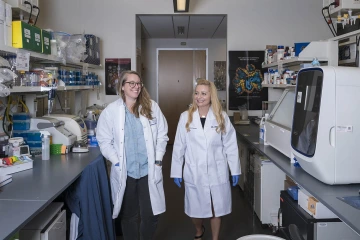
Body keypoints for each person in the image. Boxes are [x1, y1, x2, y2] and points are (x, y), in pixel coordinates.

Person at [97, 70, 169, 240]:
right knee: (128, 216)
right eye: (131, 83)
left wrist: (158, 160)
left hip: (148, 170)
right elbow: (104, 140)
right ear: (122, 86)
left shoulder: (151, 107)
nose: (136, 87)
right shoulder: (111, 111)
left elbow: (162, 135)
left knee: (150, 215)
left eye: (138, 83)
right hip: (125, 171)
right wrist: (116, 161)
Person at [171, 79, 241, 240]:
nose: (199, 97)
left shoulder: (221, 117)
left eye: (203, 93)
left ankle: (215, 238)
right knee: (195, 209)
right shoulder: (186, 117)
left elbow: (230, 145)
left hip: (217, 170)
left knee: (216, 207)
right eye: (196, 93)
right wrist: (176, 171)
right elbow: (179, 146)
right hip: (194, 171)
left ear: (211, 95)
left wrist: (235, 169)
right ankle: (198, 229)